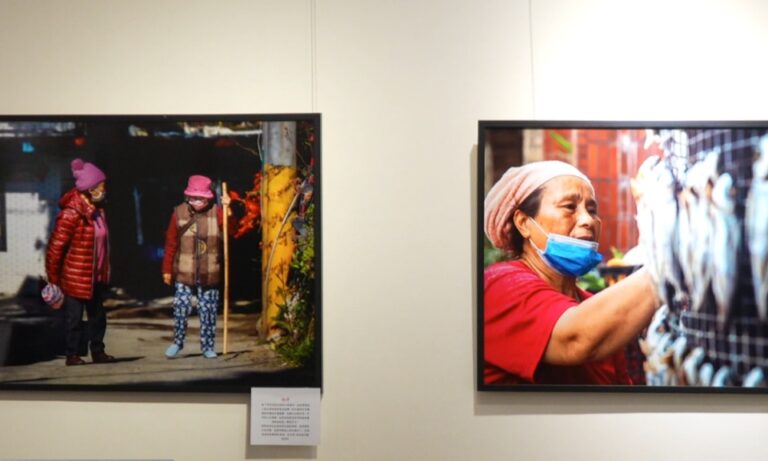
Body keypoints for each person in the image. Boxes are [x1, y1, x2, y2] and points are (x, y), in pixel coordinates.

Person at [483, 160, 661, 385]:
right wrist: (667, 267)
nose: (588, 220)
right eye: (569, 207)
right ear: (524, 223)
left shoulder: (593, 310)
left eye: (592, 210)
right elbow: (574, 340)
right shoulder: (499, 285)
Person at [45, 159, 115, 366]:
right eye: (102, 185)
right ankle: (72, 354)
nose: (104, 189)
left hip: (95, 275)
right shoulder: (71, 213)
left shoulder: (98, 210)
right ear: (91, 188)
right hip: (75, 276)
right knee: (74, 318)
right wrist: (53, 278)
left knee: (98, 317)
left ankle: (98, 351)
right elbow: (55, 247)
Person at [161, 175, 231, 359]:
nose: (197, 202)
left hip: (210, 271)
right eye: (193, 198)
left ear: (208, 198)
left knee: (208, 311)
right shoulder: (179, 213)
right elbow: (170, 243)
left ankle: (208, 346)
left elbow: (230, 230)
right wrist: (167, 269)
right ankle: (177, 342)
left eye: (201, 198)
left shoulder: (217, 212)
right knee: (181, 308)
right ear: (187, 197)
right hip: (184, 270)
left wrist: (228, 210)